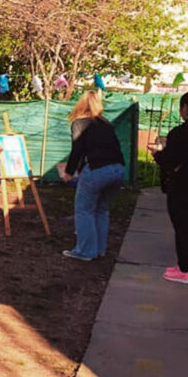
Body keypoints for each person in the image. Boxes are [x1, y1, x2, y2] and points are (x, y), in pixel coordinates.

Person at [61, 90, 125, 261]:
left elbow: (78, 150)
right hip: (118, 169)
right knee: (101, 209)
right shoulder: (106, 124)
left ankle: (85, 251)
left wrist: (69, 172)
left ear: (80, 104)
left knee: (84, 210)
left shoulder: (79, 123)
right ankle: (100, 249)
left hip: (97, 169)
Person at [149, 92, 188, 283]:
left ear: (185, 110)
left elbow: (169, 160)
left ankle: (185, 269)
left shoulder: (179, 133)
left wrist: (157, 154)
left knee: (182, 226)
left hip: (182, 187)